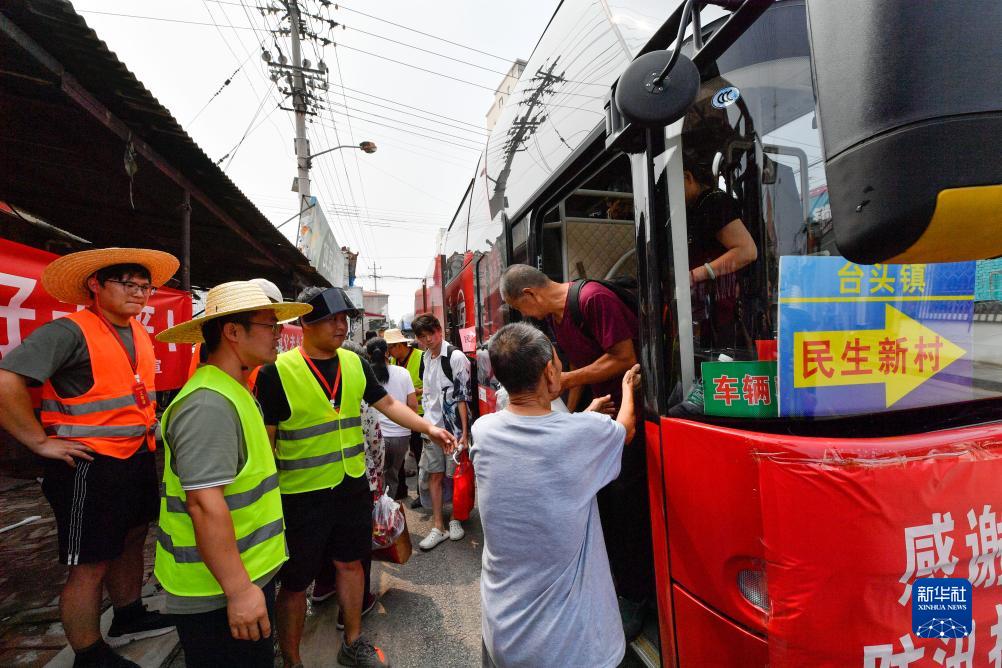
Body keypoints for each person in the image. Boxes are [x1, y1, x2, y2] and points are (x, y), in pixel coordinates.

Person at [254, 287, 456, 668]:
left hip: (351, 487)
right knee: (296, 582)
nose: (340, 325)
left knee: (352, 563)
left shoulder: (354, 363)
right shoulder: (275, 373)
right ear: (304, 322)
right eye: (330, 318)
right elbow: (267, 444)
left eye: (344, 318)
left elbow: (390, 404)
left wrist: (428, 429)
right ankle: (293, 661)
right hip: (300, 495)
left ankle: (353, 641)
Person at [0, 248, 178, 668]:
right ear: (95, 286)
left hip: (134, 458)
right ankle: (88, 652)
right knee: (89, 562)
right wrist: (39, 442)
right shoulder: (69, 332)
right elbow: (7, 381)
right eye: (127, 283)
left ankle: (128, 614)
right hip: (87, 465)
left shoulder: (138, 333)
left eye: (145, 286)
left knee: (133, 537)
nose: (138, 293)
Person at [154, 281, 311, 667]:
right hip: (217, 592)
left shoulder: (233, 389)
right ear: (233, 331)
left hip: (239, 578)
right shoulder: (208, 403)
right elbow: (205, 506)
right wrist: (240, 590)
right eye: (269, 326)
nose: (279, 336)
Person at [472, 322, 641, 668]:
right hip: (572, 648)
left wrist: (583, 419)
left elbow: (544, 444)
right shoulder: (581, 434)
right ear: (550, 371)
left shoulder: (483, 431)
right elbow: (625, 429)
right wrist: (627, 390)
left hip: (503, 635)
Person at [499, 263, 652, 639]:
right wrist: (565, 416)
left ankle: (636, 596)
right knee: (604, 508)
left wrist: (565, 381)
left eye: (520, 309)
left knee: (626, 508)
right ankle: (619, 585)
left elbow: (624, 358)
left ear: (530, 296)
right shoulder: (555, 319)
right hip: (600, 422)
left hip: (633, 419)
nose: (525, 317)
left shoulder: (592, 299)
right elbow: (572, 369)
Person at [682, 151, 757, 351]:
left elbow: (747, 251)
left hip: (724, 304)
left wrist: (694, 275)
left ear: (688, 177)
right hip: (708, 307)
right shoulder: (694, 208)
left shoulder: (714, 202)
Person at [410, 313, 471, 550]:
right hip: (431, 429)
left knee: (454, 476)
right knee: (434, 475)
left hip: (453, 430)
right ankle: (438, 525)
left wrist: (464, 434)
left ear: (440, 330)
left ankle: (455, 518)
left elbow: (463, 397)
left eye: (431, 334)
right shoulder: (425, 358)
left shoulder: (455, 357)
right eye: (422, 337)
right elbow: (428, 394)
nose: (428, 340)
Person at [186, 277, 284, 384]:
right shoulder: (208, 398)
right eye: (272, 326)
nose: (278, 335)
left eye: (279, 327)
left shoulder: (230, 385)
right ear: (233, 332)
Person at [366, 336, 418, 499]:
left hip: (376, 436)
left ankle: (379, 514)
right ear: (387, 352)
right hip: (401, 436)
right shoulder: (403, 373)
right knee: (393, 475)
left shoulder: (366, 374)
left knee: (376, 477)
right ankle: (391, 512)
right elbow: (413, 405)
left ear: (368, 354)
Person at [384, 328, 424, 501]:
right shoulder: (393, 361)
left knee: (421, 455)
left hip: (419, 415)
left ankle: (423, 494)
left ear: (400, 345)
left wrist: (416, 391)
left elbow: (432, 384)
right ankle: (401, 490)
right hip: (398, 417)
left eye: (391, 347)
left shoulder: (421, 357)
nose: (389, 352)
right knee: (398, 461)